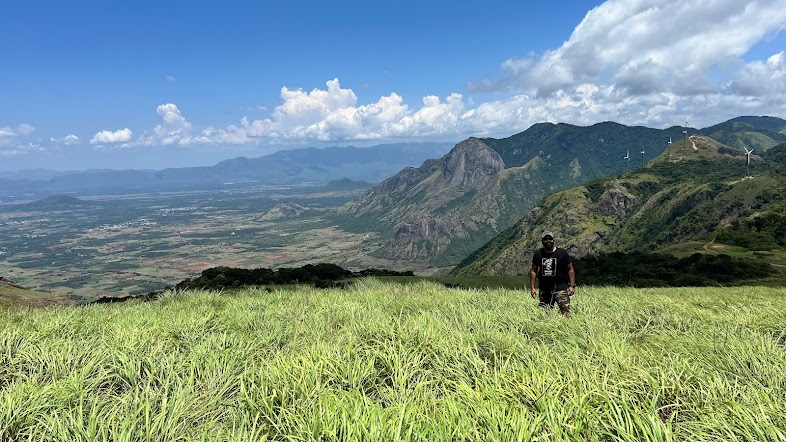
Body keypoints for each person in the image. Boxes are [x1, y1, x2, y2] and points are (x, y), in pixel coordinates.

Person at [530, 231, 576, 316]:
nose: (548, 241)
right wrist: (532, 287)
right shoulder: (538, 254)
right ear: (542, 241)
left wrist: (572, 286)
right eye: (545, 239)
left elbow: (570, 269)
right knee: (545, 314)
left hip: (560, 288)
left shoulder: (562, 253)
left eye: (550, 239)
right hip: (544, 289)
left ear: (553, 240)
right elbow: (533, 270)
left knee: (566, 313)